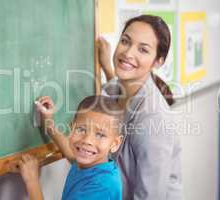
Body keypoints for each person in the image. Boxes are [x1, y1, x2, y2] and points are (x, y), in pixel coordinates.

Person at [98, 15, 182, 199]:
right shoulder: (118, 90)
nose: (128, 53)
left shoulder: (153, 118)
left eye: (143, 50)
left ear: (158, 61)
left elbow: (150, 195)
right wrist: (105, 66)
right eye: (125, 41)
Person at [13, 95, 124, 200]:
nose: (87, 140)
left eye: (100, 135)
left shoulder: (101, 187)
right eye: (81, 129)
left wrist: (32, 180)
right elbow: (72, 156)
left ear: (115, 144)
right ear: (72, 128)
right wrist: (49, 125)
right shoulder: (91, 164)